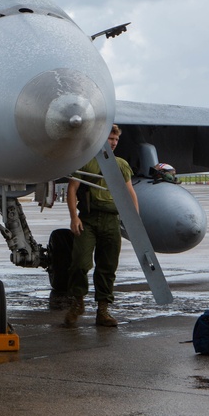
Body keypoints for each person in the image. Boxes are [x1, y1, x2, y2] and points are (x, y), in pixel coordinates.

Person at [63, 124, 138, 328]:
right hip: (88, 220)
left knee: (108, 266)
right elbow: (72, 190)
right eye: (109, 139)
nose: (113, 143)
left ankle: (103, 310)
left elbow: (130, 193)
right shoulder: (86, 161)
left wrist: (134, 219)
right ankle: (77, 302)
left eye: (115, 140)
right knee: (80, 263)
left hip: (111, 221)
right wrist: (73, 218)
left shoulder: (120, 165)